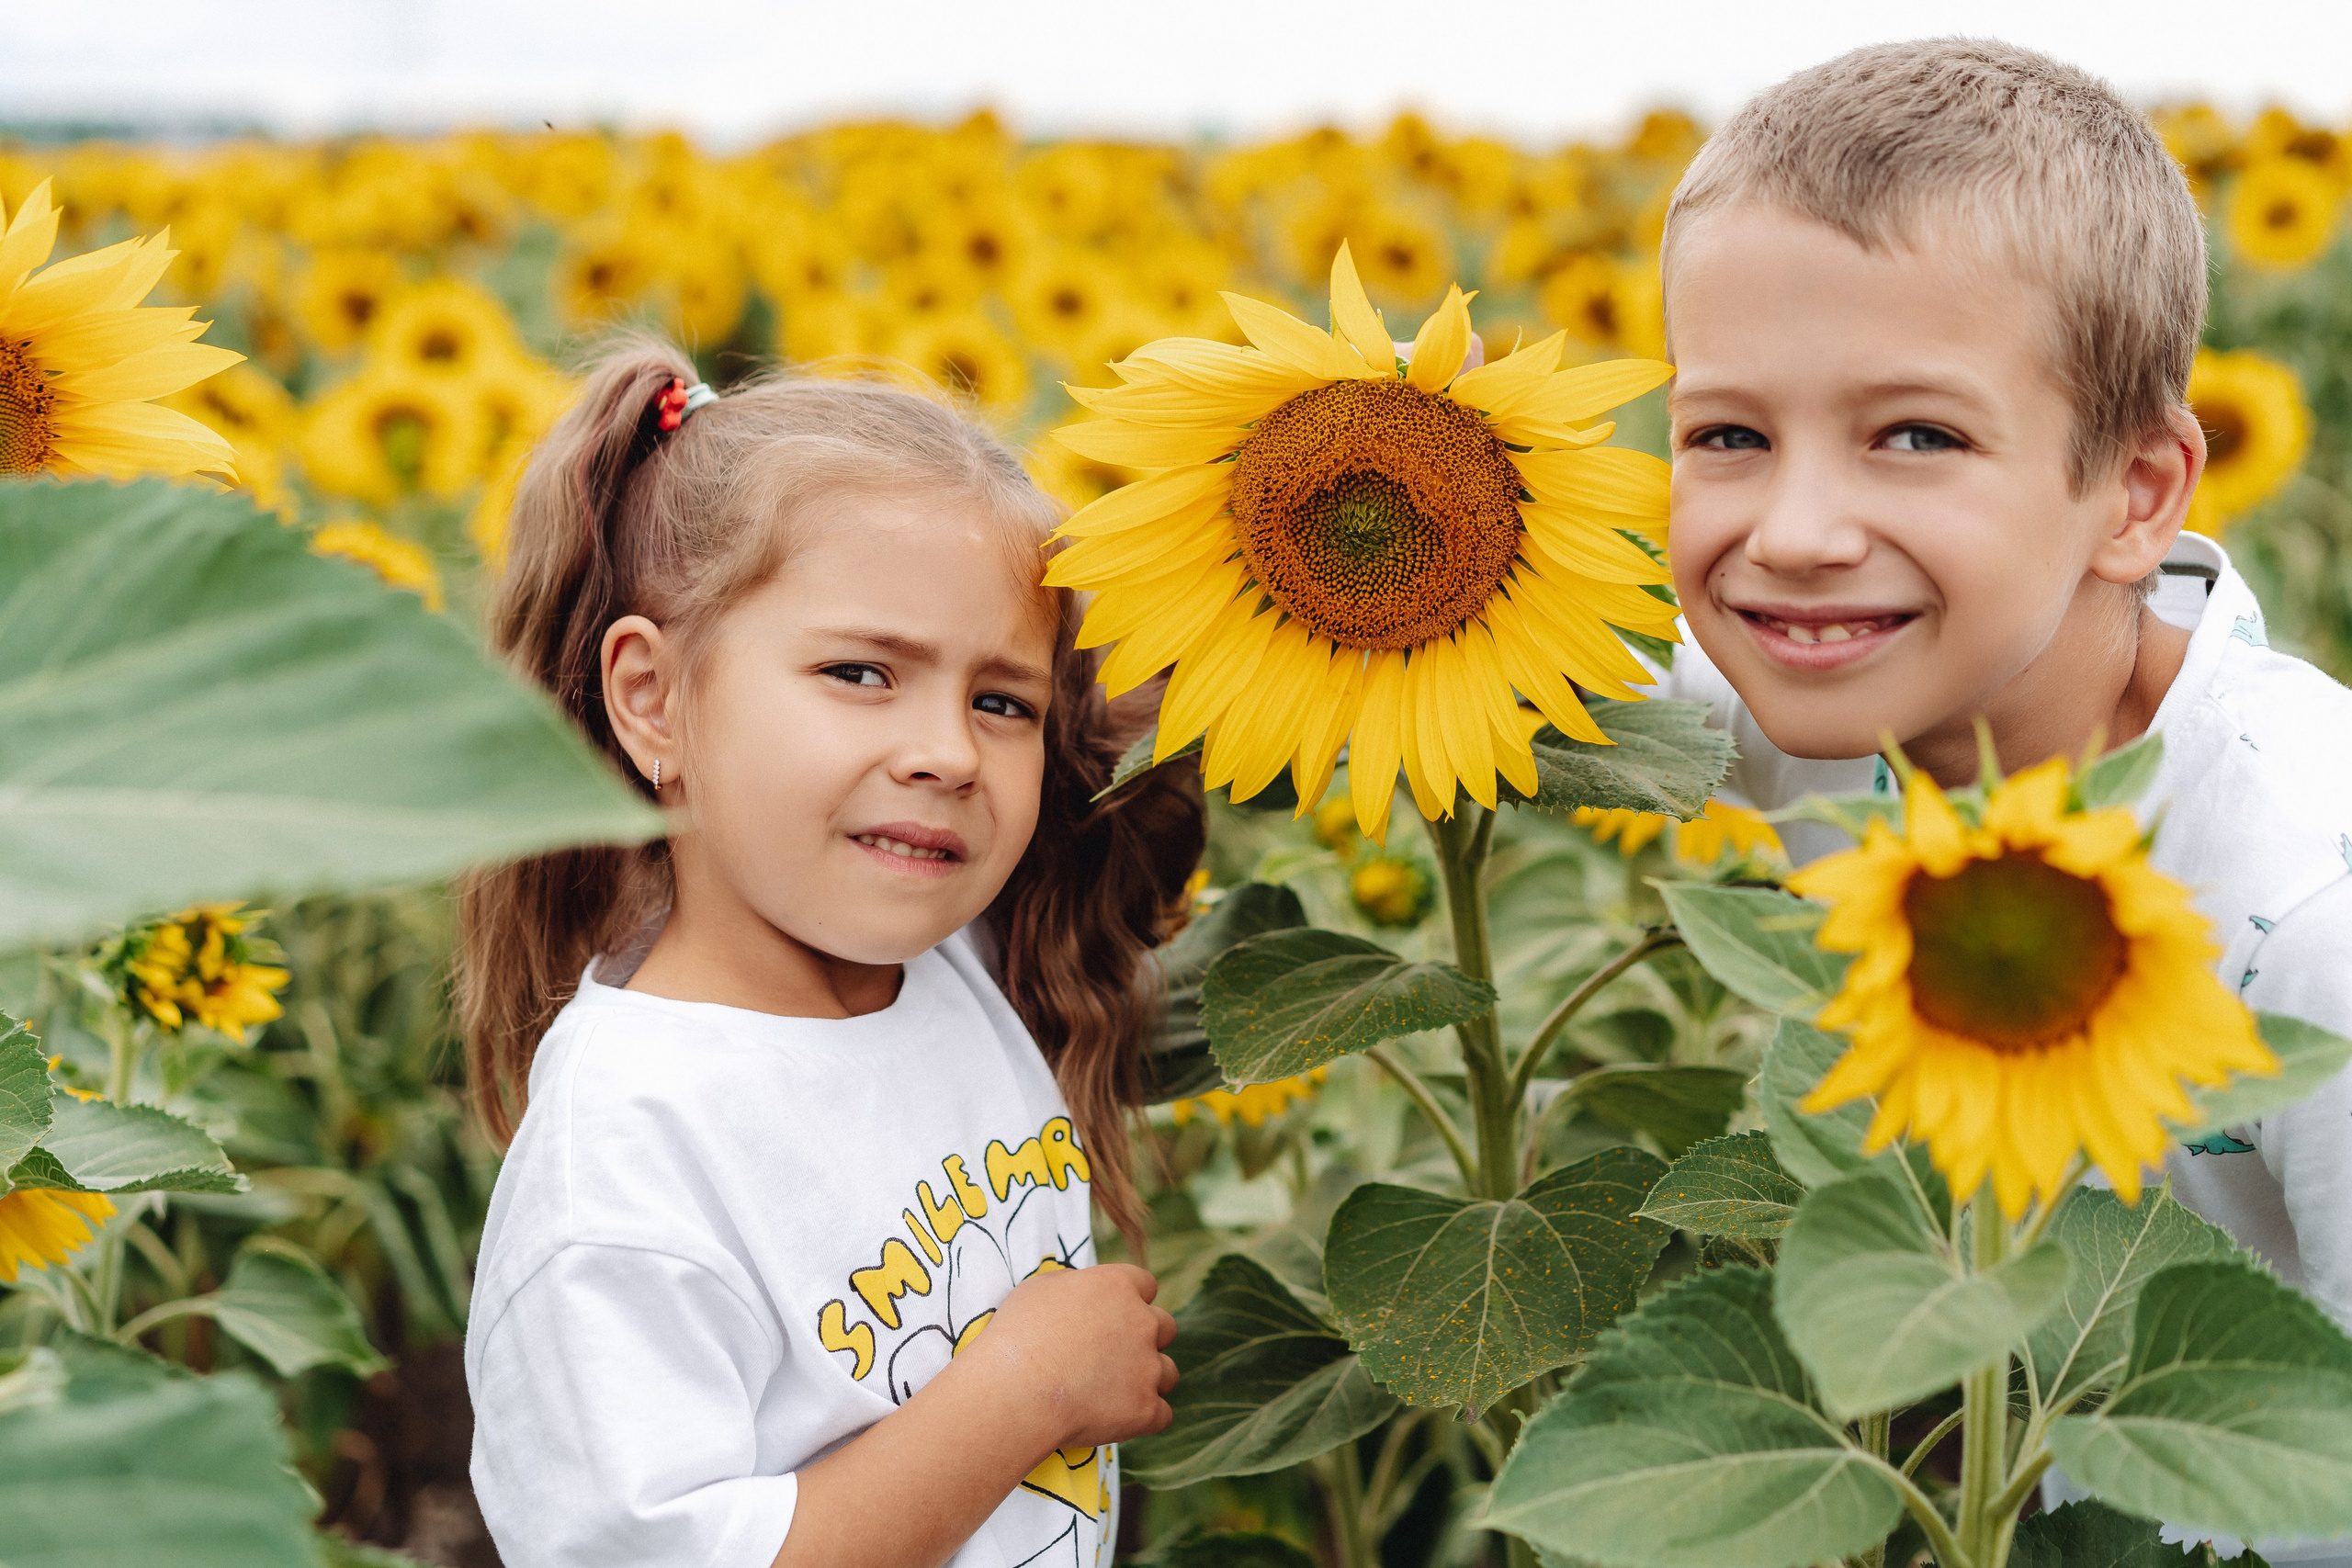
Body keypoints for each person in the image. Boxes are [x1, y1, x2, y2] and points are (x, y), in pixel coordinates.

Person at [1646, 40, 2352, 1562]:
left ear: (2138, 494)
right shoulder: (1861, 698)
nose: (1798, 532)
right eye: (1727, 435)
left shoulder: (2308, 916)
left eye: (1918, 436)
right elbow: (1547, 683)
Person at [456, 338, 1204, 1568]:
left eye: (1001, 701)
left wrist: (1346, 428)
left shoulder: (944, 961)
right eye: (861, 672)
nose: (949, 753)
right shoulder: (629, 1159)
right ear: (654, 698)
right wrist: (1029, 1391)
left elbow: (1172, 696)